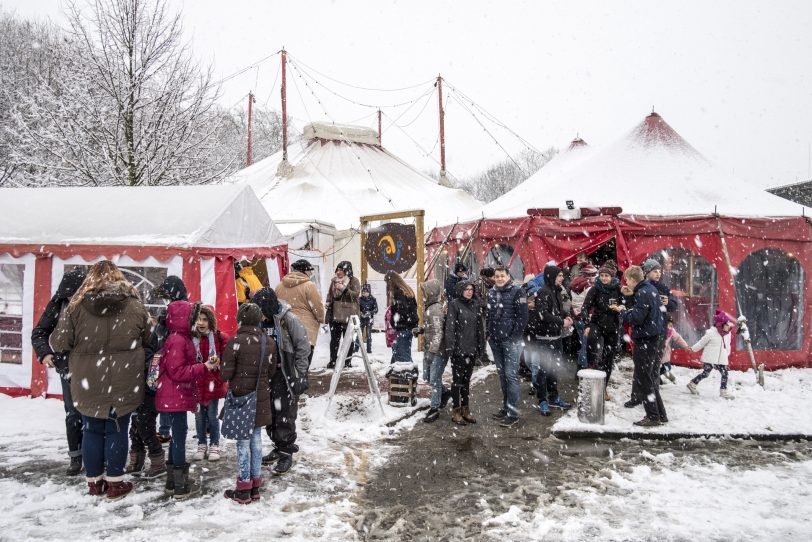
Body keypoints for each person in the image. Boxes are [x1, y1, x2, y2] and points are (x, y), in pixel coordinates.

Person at [51, 260, 152, 500]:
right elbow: (149, 336)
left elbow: (59, 342)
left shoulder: (76, 307)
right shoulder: (135, 305)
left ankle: (94, 482)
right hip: (125, 377)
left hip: (88, 378)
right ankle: (115, 483)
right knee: (118, 428)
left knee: (92, 429)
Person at [156, 299, 219, 498]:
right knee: (179, 436)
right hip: (175, 394)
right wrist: (203, 368)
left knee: (179, 435)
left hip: (175, 394)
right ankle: (180, 484)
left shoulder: (179, 337)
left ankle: (173, 480)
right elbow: (177, 372)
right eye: (194, 317)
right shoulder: (178, 340)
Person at [31, 267, 87, 476]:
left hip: (91, 366)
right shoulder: (58, 304)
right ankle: (75, 456)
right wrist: (45, 353)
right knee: (73, 413)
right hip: (67, 365)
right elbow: (39, 332)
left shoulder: (93, 304)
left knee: (92, 413)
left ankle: (93, 456)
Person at [220, 303, 275, 503]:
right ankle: (255, 486)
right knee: (257, 441)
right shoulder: (268, 342)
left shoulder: (235, 341)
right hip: (260, 397)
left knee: (243, 442)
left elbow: (225, 374)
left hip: (241, 397)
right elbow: (271, 372)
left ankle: (243, 487)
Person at [252, 287, 311, 475]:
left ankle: (286, 452)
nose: (261, 315)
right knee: (269, 413)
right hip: (265, 376)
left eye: (262, 311)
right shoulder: (259, 322)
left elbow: (303, 347)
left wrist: (300, 374)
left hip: (284, 375)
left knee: (284, 413)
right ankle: (278, 446)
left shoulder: (288, 320)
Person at [618, 265, 667, 427]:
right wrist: (631, 298)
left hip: (645, 340)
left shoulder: (643, 292)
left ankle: (652, 416)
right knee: (649, 378)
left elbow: (638, 317)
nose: (626, 283)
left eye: (627, 280)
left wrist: (623, 311)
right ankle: (660, 414)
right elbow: (645, 311)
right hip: (653, 338)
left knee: (644, 378)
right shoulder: (649, 289)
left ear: (632, 279)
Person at [626, 258, 678, 407]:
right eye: (655, 271)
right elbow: (635, 309)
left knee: (654, 367)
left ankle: (651, 399)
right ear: (646, 273)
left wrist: (668, 302)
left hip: (659, 331)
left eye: (659, 271)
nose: (658, 274)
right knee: (641, 368)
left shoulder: (662, 287)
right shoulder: (640, 288)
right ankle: (637, 397)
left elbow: (673, 305)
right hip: (646, 332)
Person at [526, 265, 573, 416]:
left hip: (556, 337)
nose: (562, 278)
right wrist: (561, 321)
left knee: (554, 368)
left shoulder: (556, 291)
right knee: (543, 369)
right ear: (551, 277)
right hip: (544, 338)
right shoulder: (543, 292)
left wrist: (567, 316)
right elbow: (543, 315)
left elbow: (559, 310)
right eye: (559, 276)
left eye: (562, 276)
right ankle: (542, 400)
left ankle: (553, 396)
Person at [147, 275, 189, 444]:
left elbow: (160, 336)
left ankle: (172, 435)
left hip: (172, 358)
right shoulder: (180, 309)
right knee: (166, 394)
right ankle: (166, 431)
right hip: (167, 357)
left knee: (171, 396)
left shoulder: (184, 310)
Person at [486, 266, 528, 428]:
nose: (499, 279)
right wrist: (489, 333)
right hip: (495, 340)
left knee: (511, 376)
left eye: (502, 276)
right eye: (497, 276)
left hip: (511, 341)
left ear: (508, 276)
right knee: (502, 375)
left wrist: (513, 336)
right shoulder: (491, 292)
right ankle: (505, 407)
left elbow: (523, 317)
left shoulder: (518, 292)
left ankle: (513, 412)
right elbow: (489, 315)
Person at [192, 304, 228, 462]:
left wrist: (219, 375)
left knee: (212, 416)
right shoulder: (191, 338)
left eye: (205, 319)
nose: (201, 323)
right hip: (196, 384)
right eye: (199, 319)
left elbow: (227, 362)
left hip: (212, 384)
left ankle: (214, 444)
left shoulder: (220, 338)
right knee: (199, 417)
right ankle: (201, 443)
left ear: (210, 321)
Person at [444, 280, 484, 425]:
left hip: (471, 349)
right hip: (459, 351)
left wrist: (481, 345)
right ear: (461, 290)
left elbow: (479, 327)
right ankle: (456, 411)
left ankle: (465, 409)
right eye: (466, 289)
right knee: (457, 382)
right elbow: (450, 327)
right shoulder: (454, 305)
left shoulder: (475, 305)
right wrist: (451, 347)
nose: (469, 292)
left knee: (466, 381)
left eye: (471, 289)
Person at [581, 265, 623, 400]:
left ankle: (604, 387)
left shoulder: (618, 289)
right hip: (597, 323)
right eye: (602, 275)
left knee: (609, 358)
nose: (604, 278)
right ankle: (591, 382)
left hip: (613, 326)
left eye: (607, 276)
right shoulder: (594, 289)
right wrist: (587, 325)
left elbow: (626, 303)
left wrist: (622, 306)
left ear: (612, 277)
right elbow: (585, 308)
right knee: (592, 352)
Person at [275, 259, 325, 366]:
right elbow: (317, 307)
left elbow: (276, 306)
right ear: (304, 271)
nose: (310, 274)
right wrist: (321, 318)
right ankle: (300, 381)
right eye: (309, 271)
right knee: (303, 366)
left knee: (289, 367)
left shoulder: (280, 286)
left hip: (285, 330)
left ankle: (292, 381)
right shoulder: (309, 285)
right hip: (305, 331)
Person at [414, 279, 450, 423]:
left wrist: (432, 352)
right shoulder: (430, 307)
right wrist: (422, 329)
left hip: (437, 351)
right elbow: (432, 328)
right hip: (430, 348)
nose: (422, 294)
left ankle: (435, 408)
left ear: (431, 292)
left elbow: (438, 333)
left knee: (434, 379)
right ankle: (445, 393)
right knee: (428, 377)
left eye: (424, 291)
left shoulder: (435, 309)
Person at [687, 310, 736, 399]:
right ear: (720, 325)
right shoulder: (711, 333)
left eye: (729, 325)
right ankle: (692, 384)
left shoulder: (727, 334)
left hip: (721, 358)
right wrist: (693, 349)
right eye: (726, 325)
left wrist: (726, 355)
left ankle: (723, 391)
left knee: (725, 373)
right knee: (706, 373)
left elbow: (727, 346)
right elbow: (701, 343)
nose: (728, 327)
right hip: (710, 358)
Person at [326, 261, 361, 369]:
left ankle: (347, 361)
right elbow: (330, 294)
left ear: (347, 271)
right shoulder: (334, 280)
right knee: (334, 340)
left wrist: (344, 289)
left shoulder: (353, 280)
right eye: (338, 269)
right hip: (334, 314)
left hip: (348, 314)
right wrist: (328, 301)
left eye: (341, 270)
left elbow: (356, 295)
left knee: (348, 340)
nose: (339, 272)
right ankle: (333, 360)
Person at [386, 271, 419, 363]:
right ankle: (395, 373)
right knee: (401, 353)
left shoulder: (398, 293)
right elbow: (412, 310)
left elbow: (401, 311)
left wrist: (393, 321)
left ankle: (410, 373)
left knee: (403, 356)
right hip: (409, 326)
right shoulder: (407, 290)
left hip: (403, 327)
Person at [569, 265, 597, 369]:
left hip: (576, 318)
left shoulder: (573, 284)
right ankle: (583, 369)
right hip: (586, 319)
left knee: (583, 344)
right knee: (586, 346)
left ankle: (580, 367)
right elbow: (590, 305)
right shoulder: (589, 287)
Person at [474, 267, 496, 365]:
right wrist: (488, 304)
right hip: (481, 313)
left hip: (488, 313)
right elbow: (477, 299)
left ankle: (483, 354)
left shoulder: (490, 284)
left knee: (486, 333)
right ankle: (480, 355)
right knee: (482, 334)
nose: (495, 278)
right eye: (493, 276)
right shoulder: (479, 284)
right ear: (488, 276)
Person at [660, 314, 689, 384]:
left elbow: (678, 338)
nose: (671, 327)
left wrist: (685, 346)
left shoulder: (671, 331)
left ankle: (656, 375)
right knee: (655, 366)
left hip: (665, 353)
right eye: (669, 325)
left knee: (668, 367)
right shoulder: (659, 331)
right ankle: (655, 378)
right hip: (656, 352)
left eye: (671, 326)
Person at [358, 283, 379, 354]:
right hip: (361, 318)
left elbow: (376, 309)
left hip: (369, 319)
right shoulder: (359, 299)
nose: (364, 293)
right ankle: (356, 349)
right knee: (359, 334)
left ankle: (369, 350)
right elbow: (357, 308)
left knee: (368, 334)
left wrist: (369, 313)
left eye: (366, 292)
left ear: (369, 292)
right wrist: (360, 313)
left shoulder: (373, 299)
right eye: (363, 292)